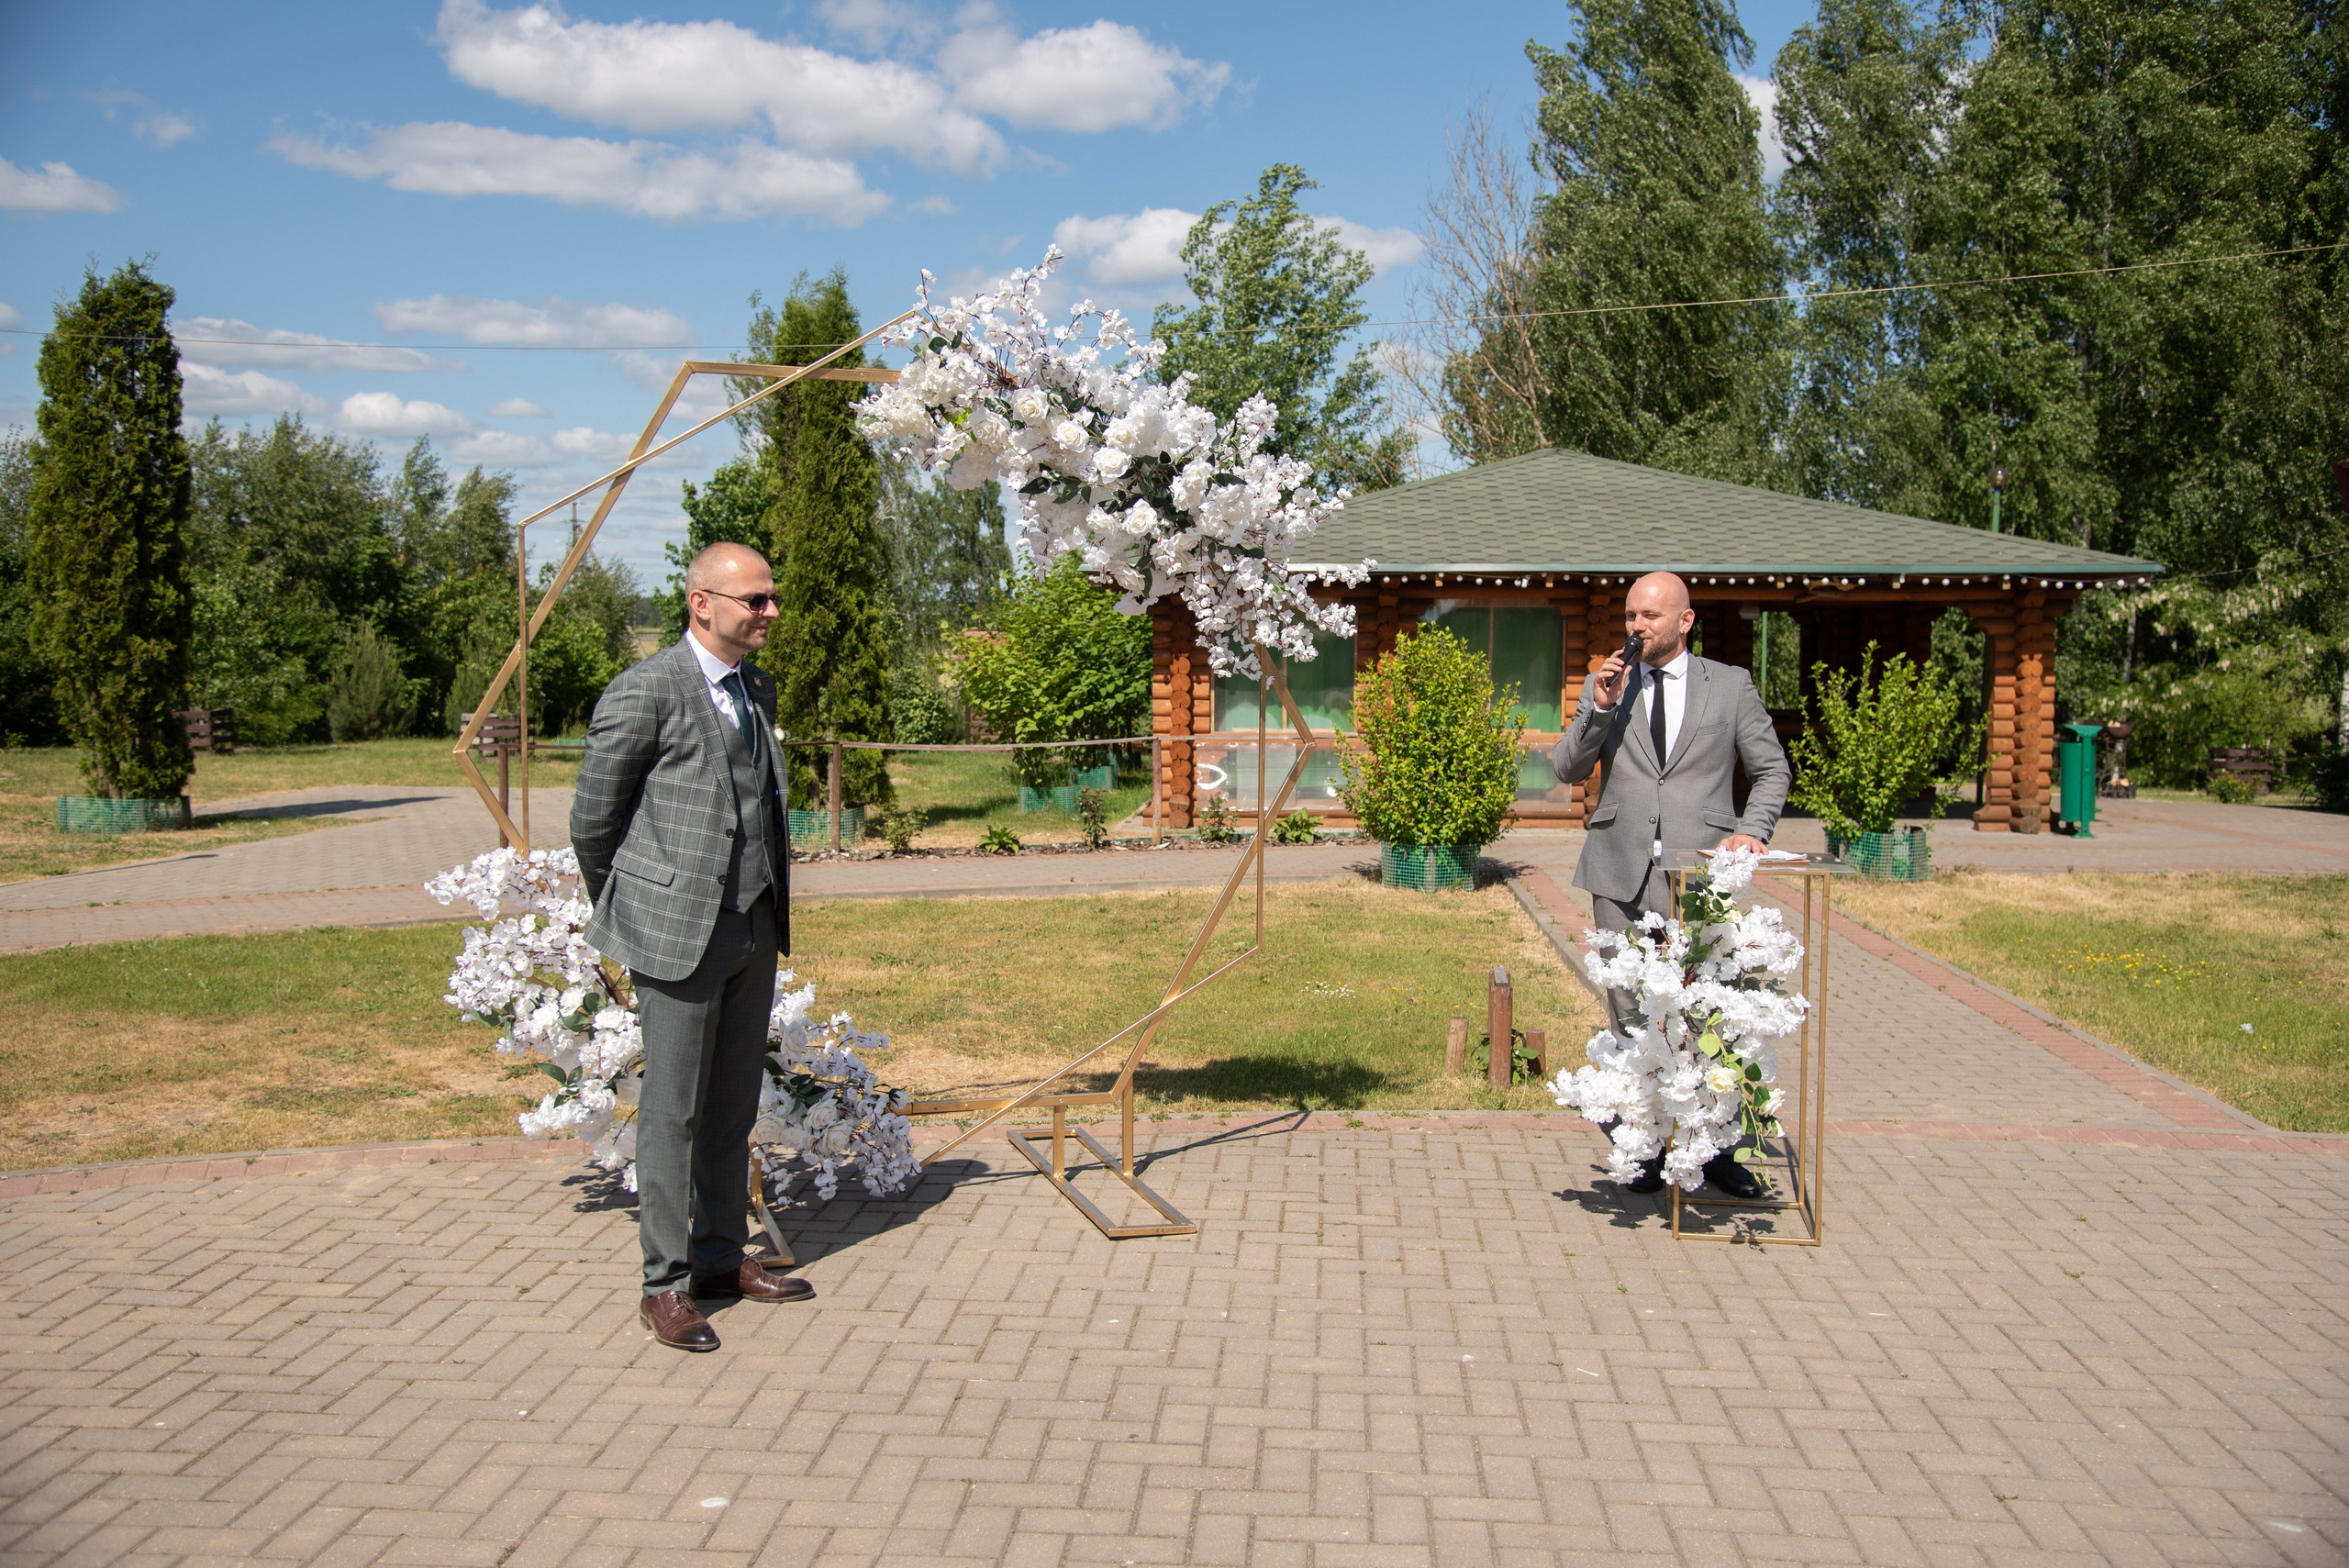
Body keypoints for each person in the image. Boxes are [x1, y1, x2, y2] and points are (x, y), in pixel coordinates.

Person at [571, 541, 812, 1351]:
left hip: (752, 923)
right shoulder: (644, 692)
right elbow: (593, 821)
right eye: (756, 600)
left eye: (771, 598)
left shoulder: (755, 687)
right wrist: (637, 907)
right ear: (702, 603)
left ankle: (717, 1256)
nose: (771, 611)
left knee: (730, 1105)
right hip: (676, 933)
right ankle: (664, 1286)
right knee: (670, 1112)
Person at [1551, 571, 1791, 1197]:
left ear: (1685, 620)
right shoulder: (1608, 684)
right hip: (1617, 869)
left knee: (1713, 1013)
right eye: (1631, 615)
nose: (1637, 626)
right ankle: (1647, 1144)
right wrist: (1600, 706)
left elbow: (1771, 771)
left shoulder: (1730, 686)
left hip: (1699, 875)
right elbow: (1567, 766)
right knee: (1634, 1015)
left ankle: (1716, 1150)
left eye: (1650, 615)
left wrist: (1752, 831)